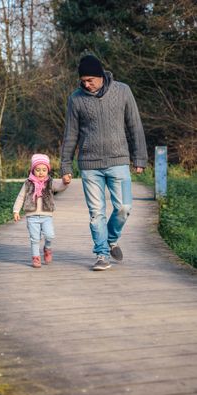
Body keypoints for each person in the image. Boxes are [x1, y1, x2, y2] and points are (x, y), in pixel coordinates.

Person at [60, 54, 148, 271]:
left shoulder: (123, 91)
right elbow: (70, 134)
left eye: (90, 80)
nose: (86, 84)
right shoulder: (75, 99)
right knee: (96, 212)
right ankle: (101, 253)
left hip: (118, 160)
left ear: (100, 76)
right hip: (89, 165)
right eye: (83, 81)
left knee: (124, 208)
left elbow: (134, 126)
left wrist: (139, 157)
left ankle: (110, 238)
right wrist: (66, 165)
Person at [13, 153, 68, 268]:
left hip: (46, 215)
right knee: (35, 238)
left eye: (44, 170)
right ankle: (36, 258)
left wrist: (65, 183)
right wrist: (16, 211)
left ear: (48, 170)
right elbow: (20, 197)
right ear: (33, 170)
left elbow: (59, 187)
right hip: (32, 216)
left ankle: (47, 248)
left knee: (50, 235)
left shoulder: (50, 182)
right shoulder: (28, 183)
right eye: (38, 170)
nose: (41, 172)